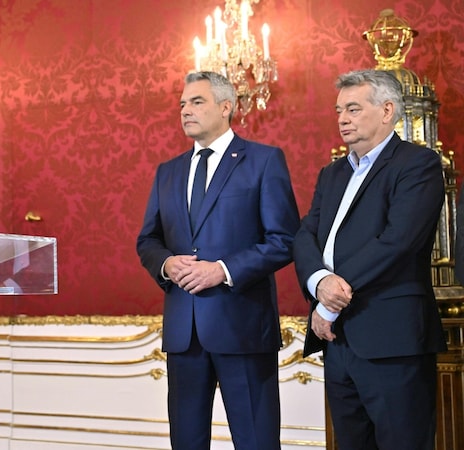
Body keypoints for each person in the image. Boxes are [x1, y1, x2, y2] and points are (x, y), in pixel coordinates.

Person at [137, 71, 300, 450]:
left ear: (226, 108)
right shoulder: (168, 171)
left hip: (242, 327)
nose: (185, 111)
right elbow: (148, 239)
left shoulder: (263, 161)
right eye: (182, 104)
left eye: (197, 102)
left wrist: (222, 270)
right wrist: (165, 264)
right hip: (184, 334)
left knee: (256, 441)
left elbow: (285, 240)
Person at [293, 69, 446, 450]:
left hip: (392, 339)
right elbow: (304, 235)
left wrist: (330, 297)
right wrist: (319, 283)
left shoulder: (418, 164)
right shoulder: (332, 173)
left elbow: (398, 242)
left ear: (387, 110)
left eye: (353, 108)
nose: (342, 118)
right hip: (339, 339)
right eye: (339, 110)